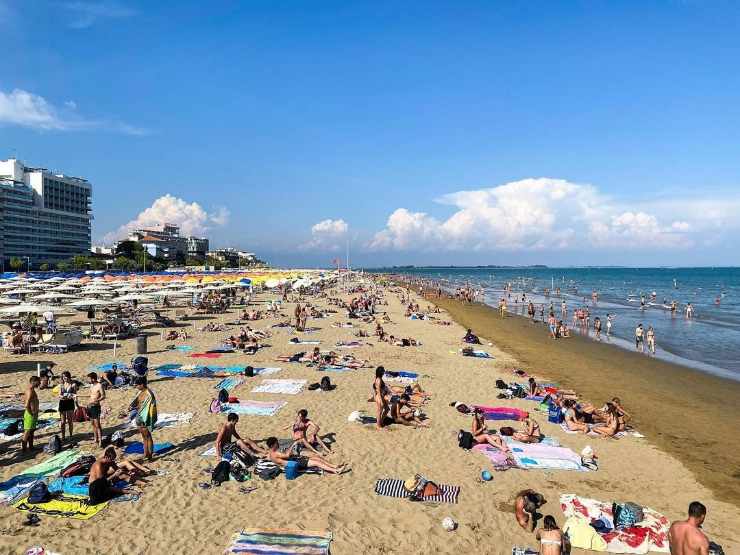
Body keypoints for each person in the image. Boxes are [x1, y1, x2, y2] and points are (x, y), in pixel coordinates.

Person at [265, 436, 348, 475]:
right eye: (276, 443)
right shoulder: (276, 453)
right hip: (295, 464)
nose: (278, 444)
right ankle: (335, 471)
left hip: (291, 462)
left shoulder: (270, 453)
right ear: (273, 445)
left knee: (316, 457)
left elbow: (281, 458)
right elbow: (287, 455)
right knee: (317, 462)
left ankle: (335, 466)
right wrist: (293, 445)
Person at [127, 377, 157, 461]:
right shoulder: (141, 392)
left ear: (142, 384)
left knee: (147, 436)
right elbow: (137, 402)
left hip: (145, 416)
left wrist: (135, 407)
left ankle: (150, 455)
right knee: (143, 436)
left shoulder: (149, 394)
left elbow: (146, 406)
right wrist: (132, 406)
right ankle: (145, 453)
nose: (136, 386)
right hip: (139, 416)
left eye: (137, 385)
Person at [86, 372, 106, 446]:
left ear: (93, 379)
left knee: (97, 424)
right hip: (89, 406)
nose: (88, 380)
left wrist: (97, 400)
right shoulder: (91, 385)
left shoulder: (99, 385)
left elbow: (103, 396)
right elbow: (91, 395)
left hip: (95, 406)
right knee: (92, 424)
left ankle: (100, 440)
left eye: (89, 379)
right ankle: (96, 439)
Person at [22, 376, 40, 452]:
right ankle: (24, 449)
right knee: (27, 431)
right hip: (30, 414)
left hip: (33, 414)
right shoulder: (30, 391)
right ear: (34, 382)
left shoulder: (32, 390)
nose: (39, 383)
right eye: (38, 382)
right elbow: (26, 404)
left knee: (32, 430)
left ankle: (31, 447)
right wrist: (31, 413)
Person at [58, 371, 77, 442]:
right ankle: (63, 436)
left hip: (70, 403)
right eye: (63, 377)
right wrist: (62, 396)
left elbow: (75, 395)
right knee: (63, 422)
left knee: (70, 421)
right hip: (62, 403)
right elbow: (59, 395)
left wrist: (71, 397)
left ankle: (71, 435)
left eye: (65, 377)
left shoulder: (73, 385)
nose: (64, 378)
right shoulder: (61, 385)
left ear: (69, 377)